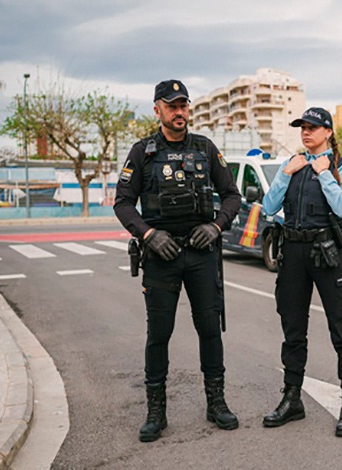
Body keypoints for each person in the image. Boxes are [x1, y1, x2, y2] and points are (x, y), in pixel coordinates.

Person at [114, 79, 242, 442]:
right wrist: (149, 235)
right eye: (172, 105)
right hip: (161, 256)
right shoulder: (143, 153)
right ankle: (156, 411)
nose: (180, 111)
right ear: (158, 109)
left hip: (201, 254)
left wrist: (217, 227)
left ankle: (216, 402)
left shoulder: (204, 148)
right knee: (159, 334)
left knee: (209, 329)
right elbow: (123, 202)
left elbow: (231, 195)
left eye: (184, 105)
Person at [261, 107, 342, 437]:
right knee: (292, 328)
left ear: (328, 132)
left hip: (327, 253)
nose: (306, 132)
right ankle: (292, 399)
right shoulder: (293, 165)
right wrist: (284, 174)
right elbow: (268, 207)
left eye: (313, 127)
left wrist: (325, 174)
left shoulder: (341, 168)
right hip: (292, 252)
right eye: (303, 127)